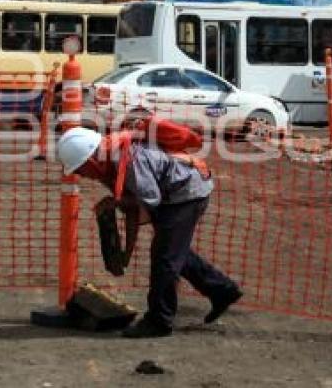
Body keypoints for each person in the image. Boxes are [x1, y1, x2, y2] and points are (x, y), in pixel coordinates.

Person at [57, 126, 242, 338]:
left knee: (164, 258)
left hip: (186, 196)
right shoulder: (111, 159)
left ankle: (159, 321)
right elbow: (135, 210)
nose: (83, 176)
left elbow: (148, 200)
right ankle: (222, 290)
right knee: (173, 251)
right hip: (177, 193)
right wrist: (125, 253)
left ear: (90, 160)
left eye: (80, 170)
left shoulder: (127, 160)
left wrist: (115, 203)